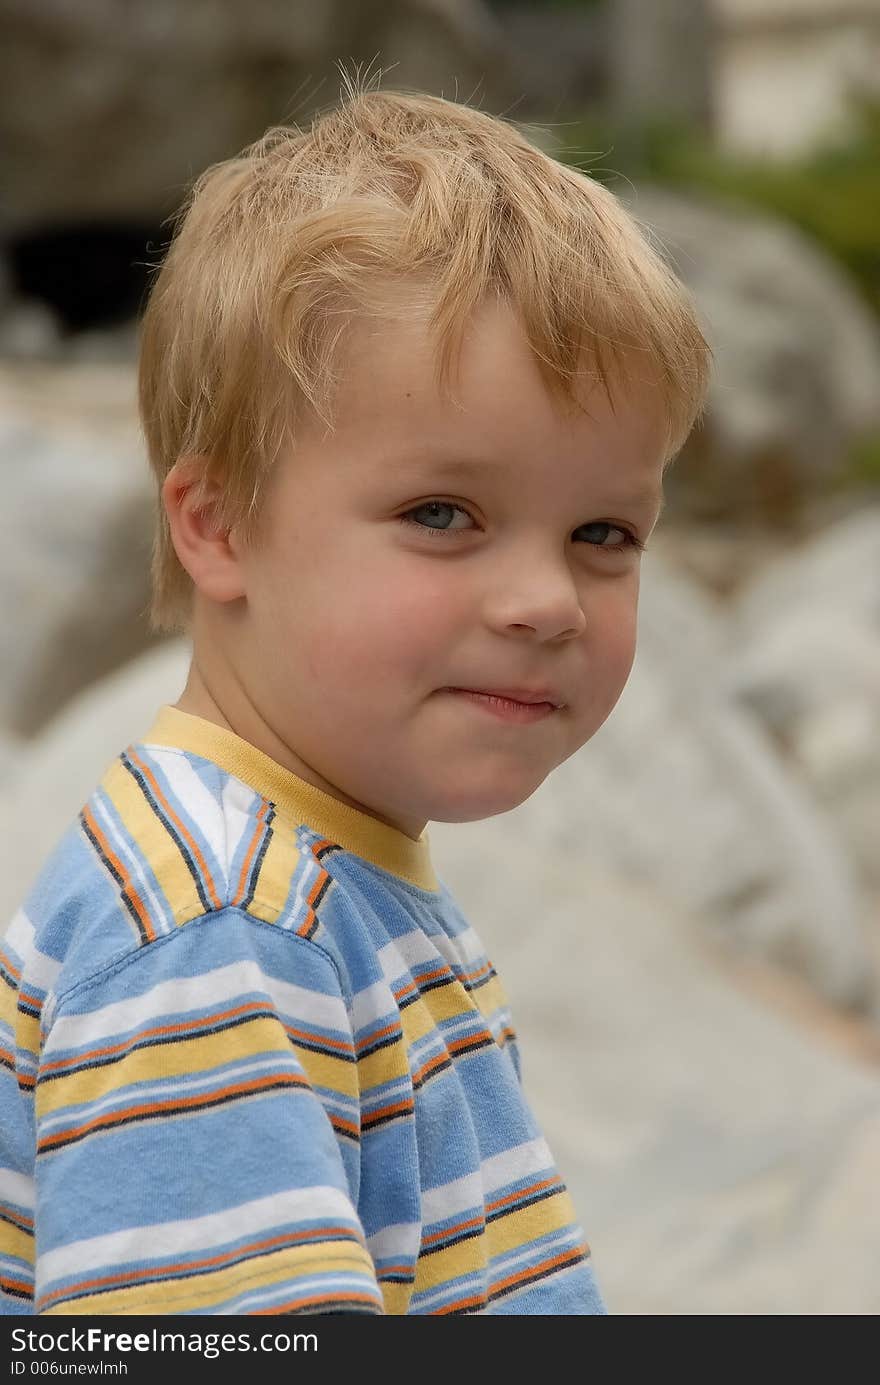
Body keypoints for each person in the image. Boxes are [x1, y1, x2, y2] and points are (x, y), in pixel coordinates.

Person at [0, 74, 711, 1315]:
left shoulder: (321, 878)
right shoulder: (220, 931)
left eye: (604, 529)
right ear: (218, 524)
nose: (547, 599)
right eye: (443, 514)